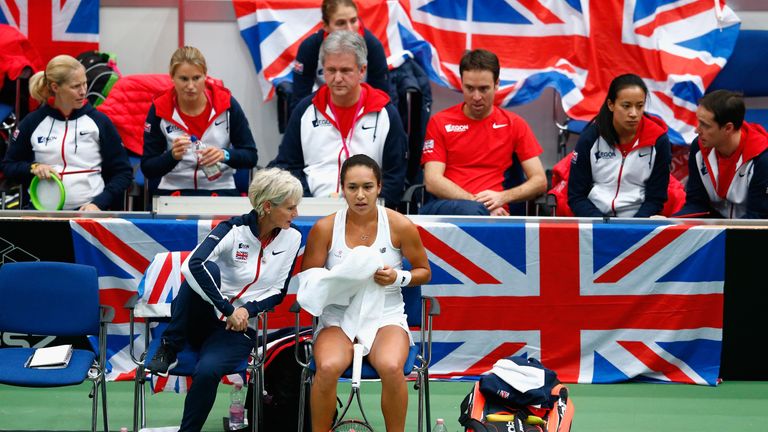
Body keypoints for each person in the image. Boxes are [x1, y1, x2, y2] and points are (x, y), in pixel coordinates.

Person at [145, 167, 303, 431]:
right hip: (201, 318)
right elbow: (193, 265)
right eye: (290, 208)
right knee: (208, 270)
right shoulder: (233, 229)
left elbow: (278, 291)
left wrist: (244, 311)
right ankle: (169, 346)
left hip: (235, 329)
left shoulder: (293, 237)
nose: (296, 214)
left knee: (207, 372)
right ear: (267, 206)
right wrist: (227, 308)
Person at [301, 154, 430, 432]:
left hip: (386, 315)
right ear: (342, 188)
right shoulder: (324, 228)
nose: (360, 195)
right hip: (337, 317)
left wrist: (398, 276)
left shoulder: (399, 225)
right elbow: (308, 280)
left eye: (368, 187)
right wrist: (338, 279)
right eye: (352, 187)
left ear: (380, 187)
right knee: (327, 367)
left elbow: (423, 271)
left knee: (391, 366)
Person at [270, 30, 407, 209]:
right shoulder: (305, 110)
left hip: (370, 212)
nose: (337, 78)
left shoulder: (385, 113)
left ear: (362, 70)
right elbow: (287, 165)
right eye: (331, 70)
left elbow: (395, 176)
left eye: (345, 70)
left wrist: (369, 208)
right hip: (312, 209)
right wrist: (307, 202)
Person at [420, 49, 547, 216]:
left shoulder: (514, 124)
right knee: (472, 210)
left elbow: (540, 181)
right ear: (462, 84)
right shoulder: (440, 122)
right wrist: (481, 205)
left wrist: (502, 197)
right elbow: (432, 181)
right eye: (470, 88)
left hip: (498, 211)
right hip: (447, 209)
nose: (476, 96)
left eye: (484, 89)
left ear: (496, 84)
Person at [2, 54, 132, 210]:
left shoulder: (100, 122)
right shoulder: (32, 122)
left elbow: (123, 173)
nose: (83, 91)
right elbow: (9, 166)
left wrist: (99, 203)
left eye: (85, 84)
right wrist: (33, 167)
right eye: (76, 86)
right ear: (55, 87)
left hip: (88, 214)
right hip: (42, 212)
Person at [141, 46, 258, 197]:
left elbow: (251, 157)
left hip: (220, 189)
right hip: (173, 191)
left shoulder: (226, 105)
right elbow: (148, 168)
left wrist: (224, 155)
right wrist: (172, 156)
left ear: (205, 75)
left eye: (196, 78)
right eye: (183, 79)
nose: (190, 86)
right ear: (172, 77)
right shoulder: (160, 109)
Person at [568, 73, 672, 217]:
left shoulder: (659, 141)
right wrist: (602, 224)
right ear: (611, 105)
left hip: (638, 221)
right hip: (596, 218)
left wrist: (633, 226)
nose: (634, 113)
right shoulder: (590, 137)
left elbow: (656, 199)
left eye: (640, 106)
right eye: (626, 106)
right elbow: (576, 196)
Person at [674, 90, 768, 218]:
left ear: (728, 128)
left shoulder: (762, 159)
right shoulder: (699, 147)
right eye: (698, 122)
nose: (696, 130)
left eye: (705, 125)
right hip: (715, 229)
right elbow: (696, 204)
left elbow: (758, 217)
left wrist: (721, 237)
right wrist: (670, 224)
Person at [289, 0, 389, 117]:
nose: (350, 29)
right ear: (326, 26)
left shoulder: (373, 46)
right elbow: (300, 98)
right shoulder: (310, 47)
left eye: (353, 20)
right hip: (320, 111)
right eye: (341, 23)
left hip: (363, 112)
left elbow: (382, 98)